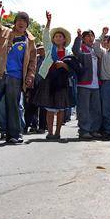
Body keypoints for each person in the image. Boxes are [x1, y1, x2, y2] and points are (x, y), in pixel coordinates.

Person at [0, 1, 36, 145]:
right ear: (15, 22)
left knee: (14, 106)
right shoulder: (2, 31)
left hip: (16, 78)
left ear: (27, 25)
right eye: (19, 20)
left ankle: (14, 134)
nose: (21, 23)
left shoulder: (30, 41)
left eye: (24, 21)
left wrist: (30, 75)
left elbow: (33, 62)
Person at [33, 11, 73, 140]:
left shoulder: (68, 52)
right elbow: (45, 35)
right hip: (49, 79)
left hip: (62, 81)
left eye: (60, 36)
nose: (58, 38)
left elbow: (72, 67)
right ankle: (49, 132)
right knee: (49, 108)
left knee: (61, 108)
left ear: (64, 39)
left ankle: (58, 132)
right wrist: (48, 22)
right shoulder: (50, 48)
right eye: (56, 36)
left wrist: (64, 65)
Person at [72, 28, 102, 140]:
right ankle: (84, 130)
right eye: (87, 36)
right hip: (84, 83)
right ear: (84, 39)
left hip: (96, 84)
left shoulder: (95, 50)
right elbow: (75, 50)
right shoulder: (81, 49)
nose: (90, 38)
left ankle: (94, 130)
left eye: (92, 36)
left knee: (96, 109)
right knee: (84, 109)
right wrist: (78, 37)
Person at [24, 44, 46, 134]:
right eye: (38, 49)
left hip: (44, 86)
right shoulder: (34, 59)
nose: (39, 51)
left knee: (43, 108)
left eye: (41, 49)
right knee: (31, 106)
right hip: (34, 86)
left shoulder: (48, 59)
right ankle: (25, 126)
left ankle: (42, 127)